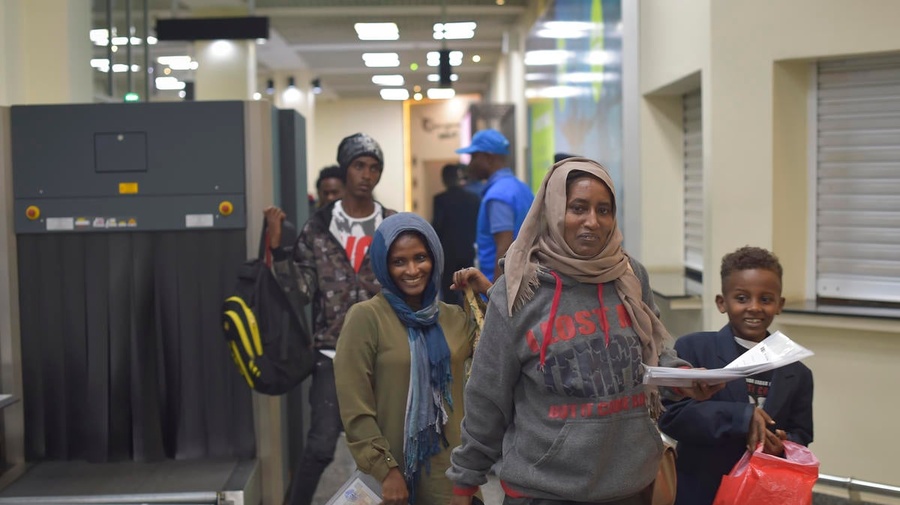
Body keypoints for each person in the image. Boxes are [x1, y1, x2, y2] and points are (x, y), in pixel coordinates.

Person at [446, 157, 720, 505]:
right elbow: (487, 396)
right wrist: (464, 482)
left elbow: (652, 353)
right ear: (554, 209)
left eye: (603, 210)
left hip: (630, 487)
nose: (593, 221)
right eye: (578, 208)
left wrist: (682, 378)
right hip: (544, 491)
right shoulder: (519, 289)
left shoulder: (630, 275)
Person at [265, 132, 396, 505]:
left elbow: (407, 284)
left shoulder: (391, 224)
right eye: (359, 166)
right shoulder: (319, 227)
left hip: (384, 352)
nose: (367, 175)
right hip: (330, 355)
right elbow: (301, 292)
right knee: (321, 446)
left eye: (374, 168)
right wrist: (279, 252)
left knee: (393, 446)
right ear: (345, 169)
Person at [334, 213, 485, 505]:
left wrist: (487, 290)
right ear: (383, 265)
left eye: (420, 257)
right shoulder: (367, 317)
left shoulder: (455, 318)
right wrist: (385, 470)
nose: (412, 270)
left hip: (453, 481)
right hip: (391, 482)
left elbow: (508, 348)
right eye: (399, 261)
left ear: (435, 259)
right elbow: (355, 406)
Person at [658, 246, 814, 505]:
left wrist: (783, 446)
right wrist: (741, 417)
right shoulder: (693, 349)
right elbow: (673, 417)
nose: (754, 307)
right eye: (742, 298)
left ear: (780, 304)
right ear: (722, 302)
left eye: (765, 299)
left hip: (761, 494)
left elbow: (801, 433)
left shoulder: (796, 372)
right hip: (700, 491)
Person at [456, 128, 534, 282]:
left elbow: (504, 250)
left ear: (488, 158)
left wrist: (496, 298)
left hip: (502, 287)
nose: (470, 164)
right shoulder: (521, 188)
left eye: (473, 157)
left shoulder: (498, 195)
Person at [432, 164, 481, 306]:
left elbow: (437, 227)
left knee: (449, 295)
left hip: (448, 255)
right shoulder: (473, 199)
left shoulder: (440, 200)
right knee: (470, 293)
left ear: (444, 179)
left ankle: (454, 325)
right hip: (468, 251)